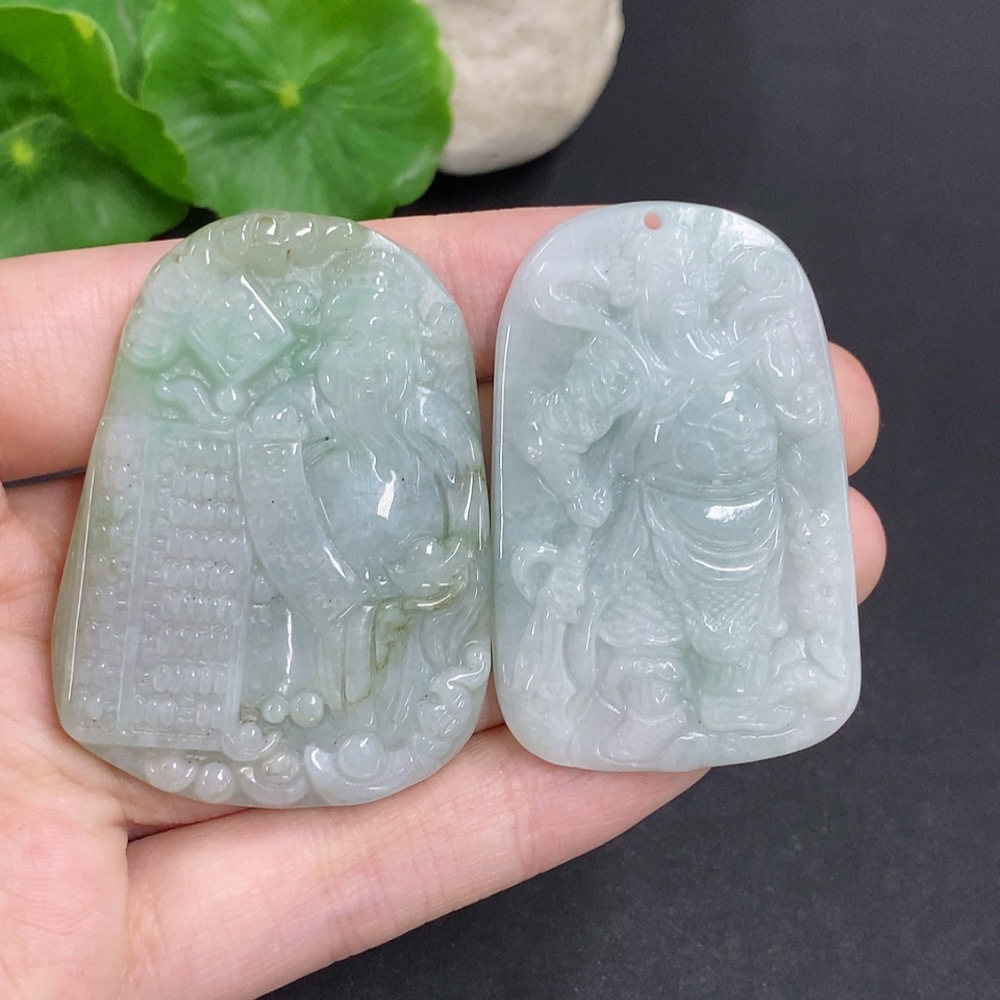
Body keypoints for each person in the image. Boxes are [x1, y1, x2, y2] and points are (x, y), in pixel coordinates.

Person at [0, 207, 885, 998]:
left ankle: (713, 679)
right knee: (643, 654)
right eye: (355, 371)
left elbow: (789, 435)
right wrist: (582, 506)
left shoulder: (744, 348)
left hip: (735, 534)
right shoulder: (610, 363)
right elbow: (545, 445)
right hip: (631, 537)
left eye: (384, 370)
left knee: (728, 656)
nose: (673, 289)